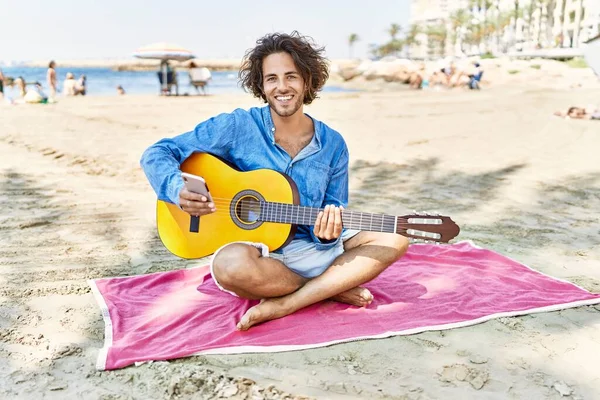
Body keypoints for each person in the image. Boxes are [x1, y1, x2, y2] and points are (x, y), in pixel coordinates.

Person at [140, 31, 409, 332]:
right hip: (259, 255)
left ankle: (289, 301)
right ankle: (328, 287)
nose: (282, 87)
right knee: (229, 267)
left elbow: (333, 209)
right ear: (261, 85)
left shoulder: (333, 144)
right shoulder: (237, 126)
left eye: (291, 77)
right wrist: (176, 189)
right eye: (272, 79)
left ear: (307, 80)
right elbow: (159, 152)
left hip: (311, 250)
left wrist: (326, 235)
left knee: (396, 236)